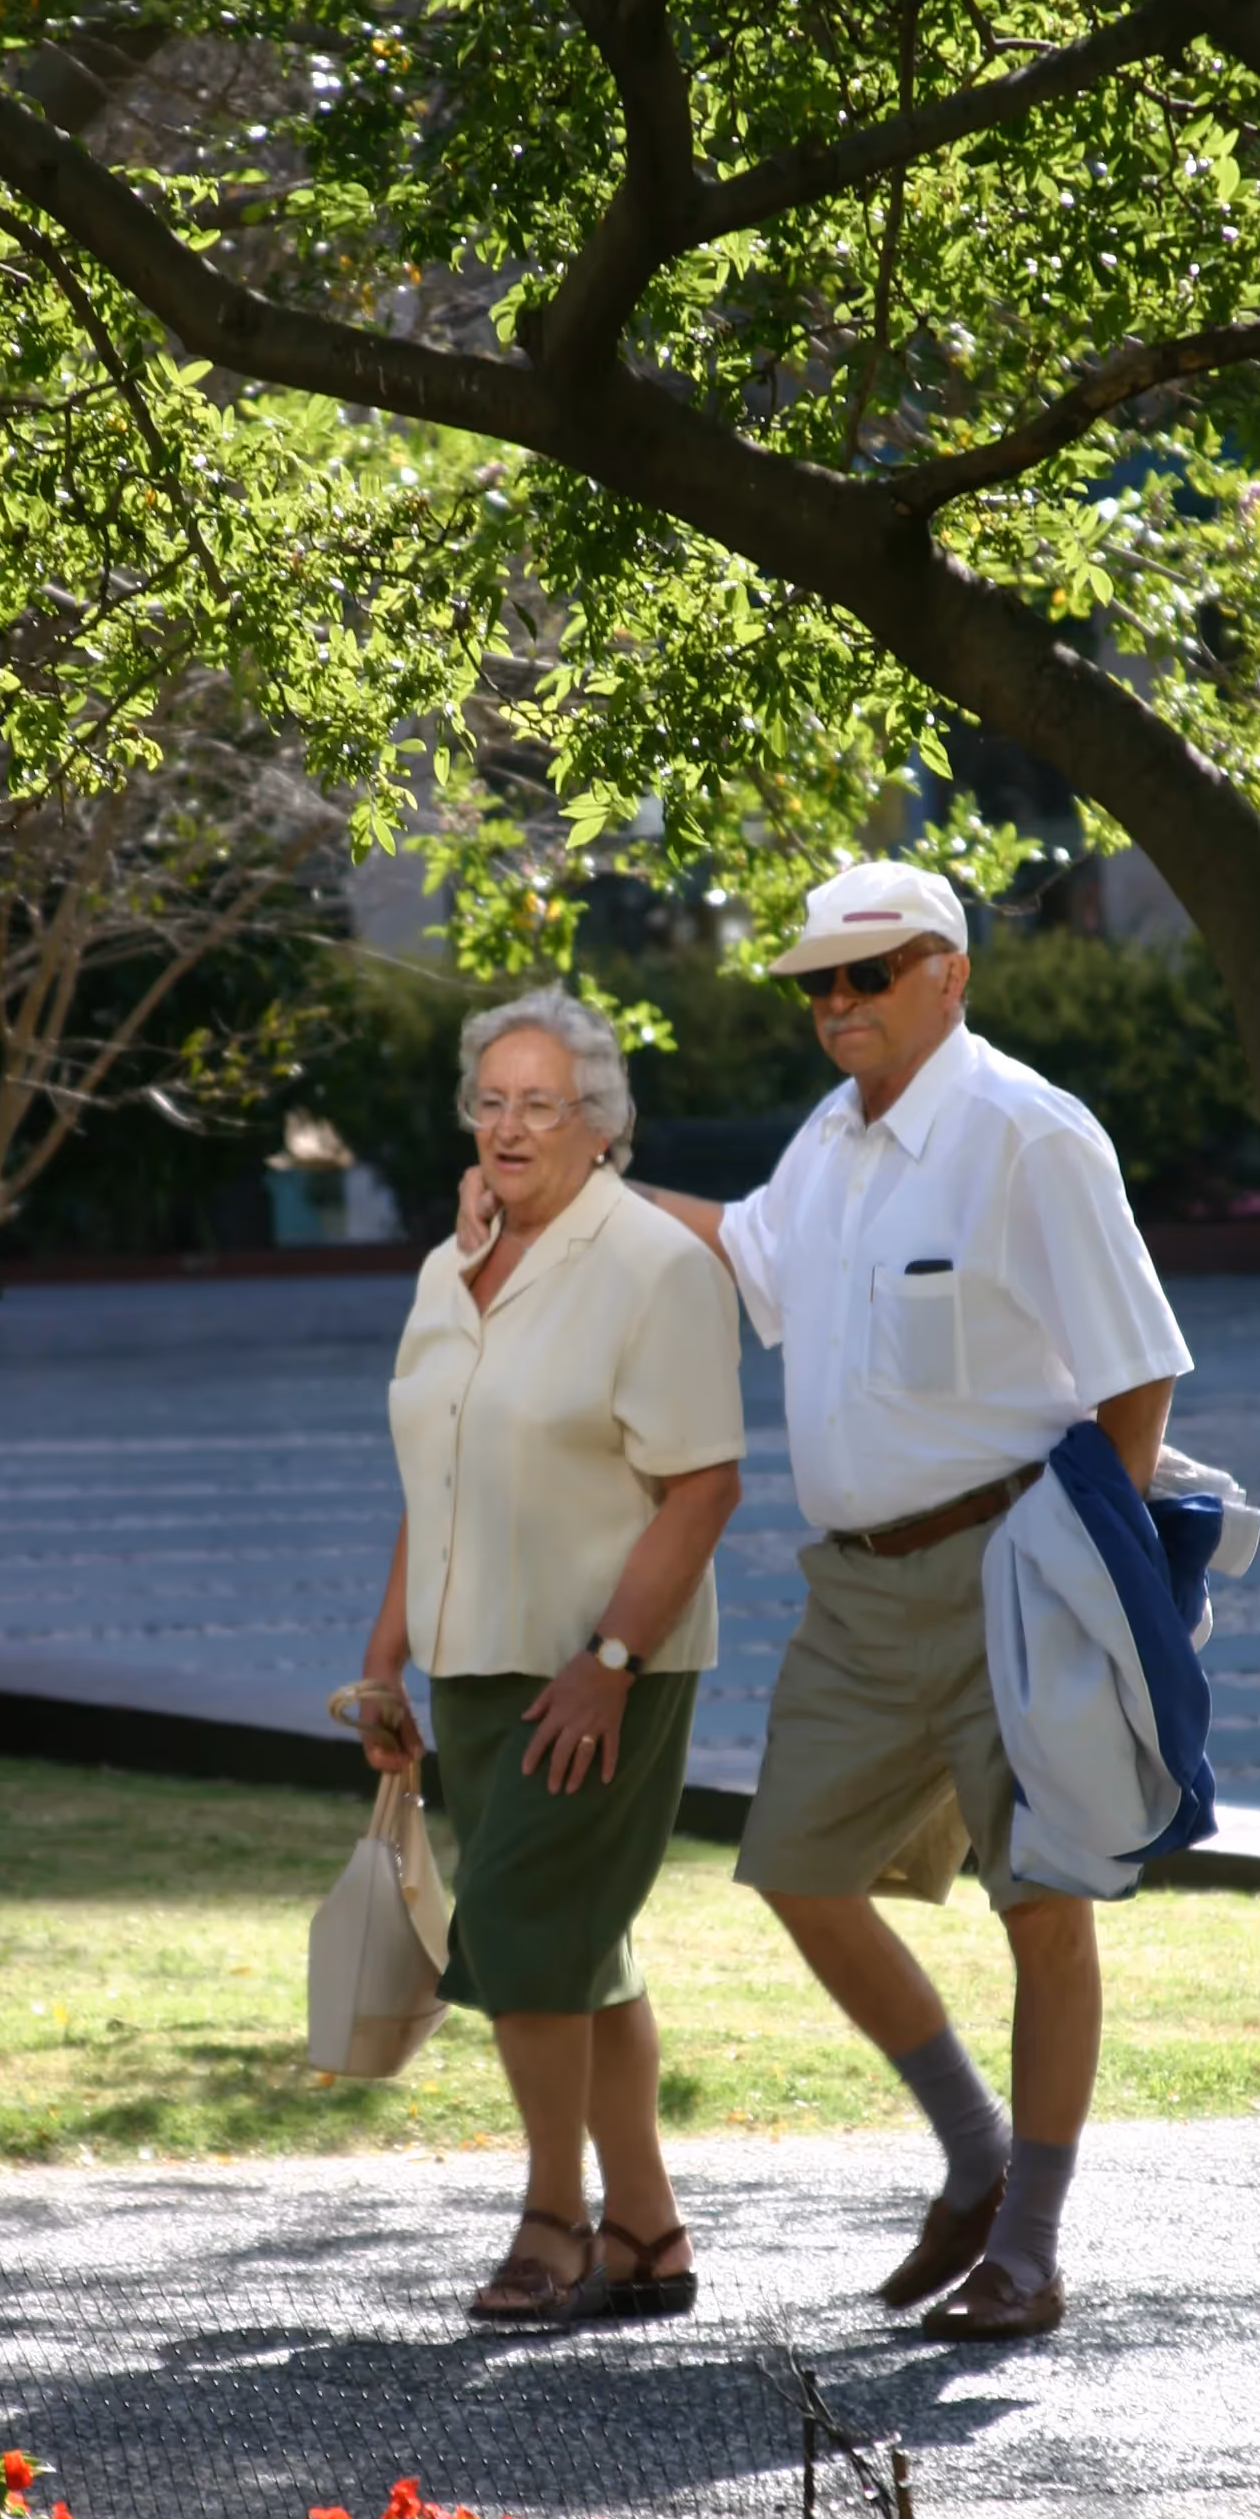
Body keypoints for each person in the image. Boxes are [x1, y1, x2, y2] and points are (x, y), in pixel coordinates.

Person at [466, 863, 1189, 2342]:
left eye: (871, 973)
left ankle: (1029, 2249)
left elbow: (1138, 1374)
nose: (838, 1002)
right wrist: (572, 1190)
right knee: (796, 1865)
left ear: (951, 974)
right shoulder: (833, 1135)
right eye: (819, 982)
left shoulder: (1031, 1135)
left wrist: (1086, 1580)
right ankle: (978, 2154)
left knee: (1045, 1907)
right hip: (856, 1589)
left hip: (1013, 1567)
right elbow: (746, 1256)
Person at [356, 985, 744, 2328]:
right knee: (582, 1945)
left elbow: (706, 1485)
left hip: (599, 1668)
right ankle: (647, 2230)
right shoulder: (450, 1268)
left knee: (520, 1936)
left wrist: (611, 1660)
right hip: (473, 1666)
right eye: (492, 1101)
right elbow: (438, 1475)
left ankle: (552, 2225)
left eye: (542, 1103)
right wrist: (386, 1658)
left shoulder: (655, 1268)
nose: (510, 1126)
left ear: (602, 1123)